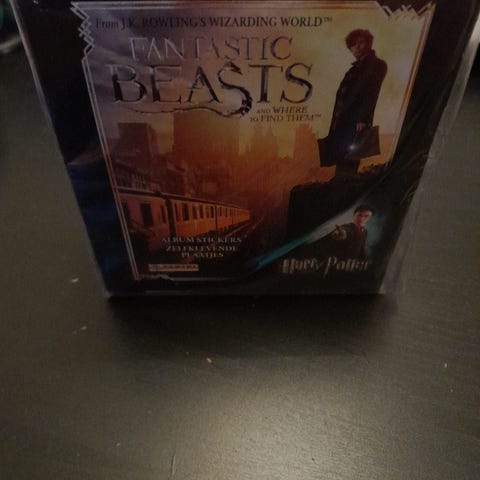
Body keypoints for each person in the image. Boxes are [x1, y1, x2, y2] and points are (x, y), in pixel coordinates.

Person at [323, 29, 387, 176]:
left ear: (369, 43)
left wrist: (363, 119)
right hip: (343, 122)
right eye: (353, 45)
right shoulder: (353, 69)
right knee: (342, 157)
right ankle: (340, 183)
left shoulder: (376, 64)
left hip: (356, 122)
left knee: (350, 157)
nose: (357, 47)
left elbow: (372, 93)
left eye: (361, 43)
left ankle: (343, 183)